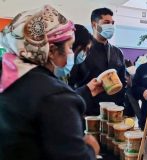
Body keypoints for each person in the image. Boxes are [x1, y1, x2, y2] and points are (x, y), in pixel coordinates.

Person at [0, 5, 99, 160]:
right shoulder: (56, 97)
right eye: (70, 46)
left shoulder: (9, 77)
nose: (71, 53)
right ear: (51, 51)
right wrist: (90, 149)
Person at [71, 7, 126, 116]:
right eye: (106, 22)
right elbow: (72, 83)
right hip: (88, 112)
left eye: (112, 23)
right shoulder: (82, 50)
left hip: (113, 112)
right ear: (94, 25)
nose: (111, 26)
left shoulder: (117, 52)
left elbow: (122, 83)